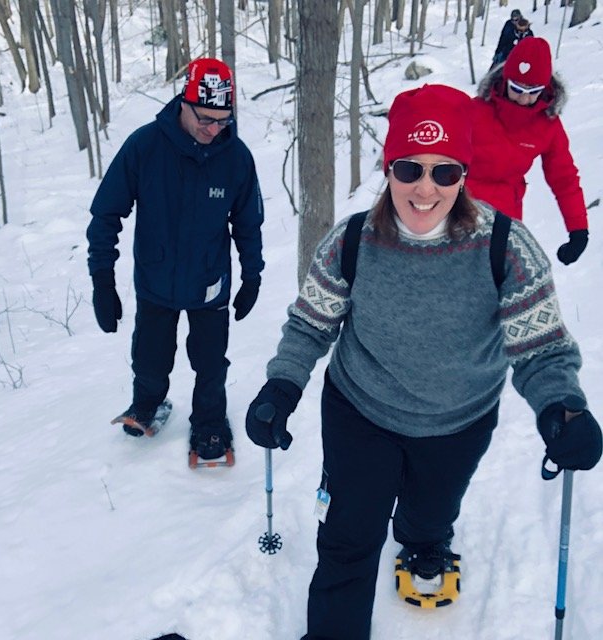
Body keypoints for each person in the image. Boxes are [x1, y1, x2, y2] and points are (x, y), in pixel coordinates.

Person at [244, 84, 602, 640]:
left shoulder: (506, 247)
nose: (425, 188)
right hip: (360, 410)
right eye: (410, 168)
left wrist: (562, 408)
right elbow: (310, 323)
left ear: (465, 174)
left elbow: (543, 348)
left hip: (457, 420)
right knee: (348, 538)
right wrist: (281, 387)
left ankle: (423, 538)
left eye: (445, 171)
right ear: (389, 169)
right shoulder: (353, 241)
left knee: (429, 513)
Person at [87, 58, 265, 461]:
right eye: (206, 118)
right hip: (155, 279)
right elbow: (106, 214)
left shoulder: (236, 157)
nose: (214, 128)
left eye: (223, 120)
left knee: (210, 364)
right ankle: (147, 404)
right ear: (183, 102)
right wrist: (102, 279)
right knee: (149, 359)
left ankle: (209, 423)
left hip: (210, 282)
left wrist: (252, 275)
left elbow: (249, 223)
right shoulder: (145, 146)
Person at [468, 36, 589, 265]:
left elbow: (564, 178)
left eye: (533, 91)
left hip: (504, 218)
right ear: (505, 81)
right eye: (517, 89)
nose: (524, 99)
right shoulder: (474, 111)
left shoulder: (548, 125)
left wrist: (578, 230)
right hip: (462, 207)